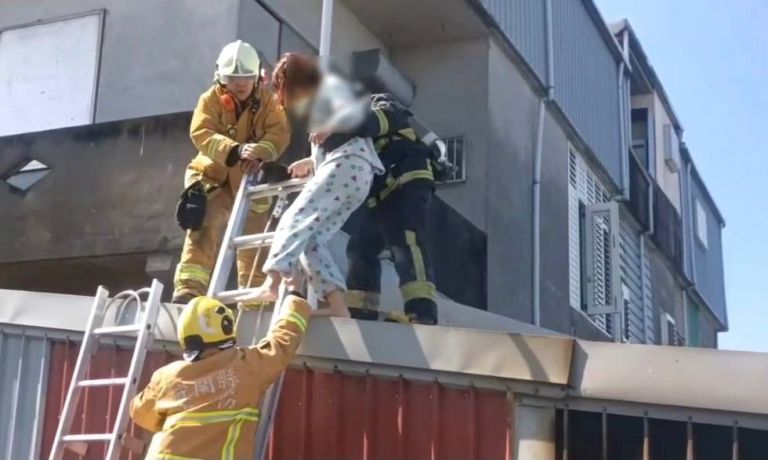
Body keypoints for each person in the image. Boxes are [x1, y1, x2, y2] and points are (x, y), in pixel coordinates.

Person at [241, 54, 384, 318]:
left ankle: (273, 281)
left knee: (294, 219)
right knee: (312, 240)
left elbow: (360, 116)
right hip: (356, 176)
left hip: (348, 165)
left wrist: (332, 125)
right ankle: (338, 307)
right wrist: (309, 160)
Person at [172, 40, 290, 305]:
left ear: (256, 77)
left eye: (246, 77)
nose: (240, 84)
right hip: (211, 177)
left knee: (254, 238)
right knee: (205, 223)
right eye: (233, 78)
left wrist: (260, 152)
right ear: (221, 78)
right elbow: (201, 133)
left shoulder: (269, 103)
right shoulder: (210, 100)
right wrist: (235, 151)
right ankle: (190, 290)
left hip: (251, 181)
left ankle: (255, 296)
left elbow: (279, 135)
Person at [130, 293, 310, 459]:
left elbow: (141, 414)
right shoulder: (246, 366)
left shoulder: (167, 376)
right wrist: (295, 302)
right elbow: (281, 344)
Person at [322, 94, 439, 325]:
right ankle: (360, 312)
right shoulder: (358, 138)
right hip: (383, 197)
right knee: (360, 248)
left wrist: (337, 127)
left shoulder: (385, 109)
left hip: (407, 186)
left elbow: (371, 123)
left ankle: (422, 314)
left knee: (405, 242)